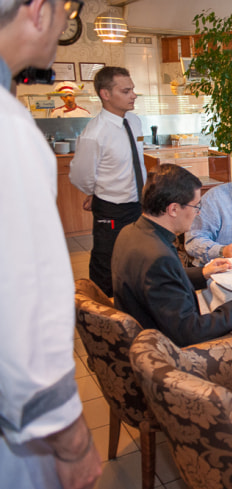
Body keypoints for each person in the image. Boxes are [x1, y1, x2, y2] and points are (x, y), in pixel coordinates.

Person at [0, 0, 102, 487]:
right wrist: (73, 442)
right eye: (68, 15)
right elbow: (22, 306)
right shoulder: (10, 132)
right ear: (39, 11)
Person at [112, 164, 232, 347]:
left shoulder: (131, 232)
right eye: (196, 206)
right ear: (173, 209)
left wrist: (204, 272)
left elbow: (162, 280)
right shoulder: (158, 257)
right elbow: (191, 332)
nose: (198, 212)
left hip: (147, 332)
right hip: (164, 351)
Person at [69, 66, 146, 297]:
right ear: (105, 94)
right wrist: (97, 192)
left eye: (132, 89)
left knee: (137, 258)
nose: (133, 95)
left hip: (139, 204)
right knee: (106, 262)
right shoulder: (95, 133)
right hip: (112, 208)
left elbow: (135, 161)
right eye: (126, 91)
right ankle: (102, 310)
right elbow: (80, 175)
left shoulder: (134, 121)